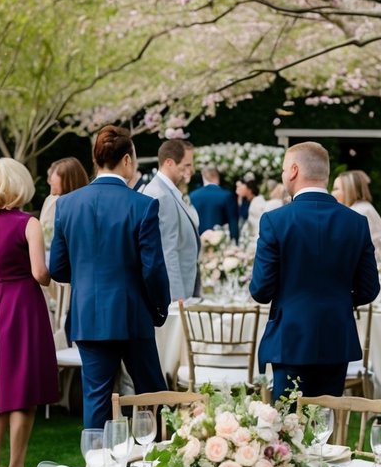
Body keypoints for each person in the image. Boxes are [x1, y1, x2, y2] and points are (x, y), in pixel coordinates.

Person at [49, 125, 172, 431]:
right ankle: (155, 464)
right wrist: (159, 309)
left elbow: (58, 268)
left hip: (88, 314)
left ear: (96, 158)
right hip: (133, 314)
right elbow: (153, 268)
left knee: (97, 398)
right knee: (151, 394)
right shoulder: (142, 205)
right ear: (127, 160)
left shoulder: (66, 204)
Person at [249, 142, 380, 399]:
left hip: (290, 336)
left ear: (295, 170)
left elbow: (261, 290)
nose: (284, 175)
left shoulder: (275, 220)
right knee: (325, 424)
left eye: (285, 169)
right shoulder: (356, 222)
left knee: (288, 427)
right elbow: (369, 288)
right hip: (336, 335)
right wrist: (339, 299)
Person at [0, 158, 57, 467]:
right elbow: (39, 273)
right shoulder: (28, 222)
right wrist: (53, 275)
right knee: (23, 386)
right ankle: (15, 466)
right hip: (24, 303)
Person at [140, 139, 200, 302]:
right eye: (187, 165)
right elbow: (168, 250)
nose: (191, 170)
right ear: (169, 163)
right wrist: (177, 298)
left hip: (186, 286)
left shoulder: (169, 192)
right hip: (176, 295)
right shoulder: (161, 194)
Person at [332, 169, 381, 261]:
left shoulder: (358, 212)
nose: (332, 193)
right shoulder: (361, 208)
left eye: (336, 189)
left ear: (349, 189)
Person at [38, 157, 88, 247]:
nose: (49, 181)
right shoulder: (50, 200)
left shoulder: (84, 206)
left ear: (68, 180)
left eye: (53, 178)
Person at [190, 165, 240, 242]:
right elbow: (233, 222)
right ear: (217, 176)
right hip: (220, 243)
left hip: (197, 243)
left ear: (203, 176)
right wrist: (234, 242)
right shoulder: (227, 195)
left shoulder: (193, 196)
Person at [235, 176, 267, 244]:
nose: (237, 190)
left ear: (249, 189)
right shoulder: (245, 201)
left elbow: (257, 223)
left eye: (240, 186)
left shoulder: (258, 202)